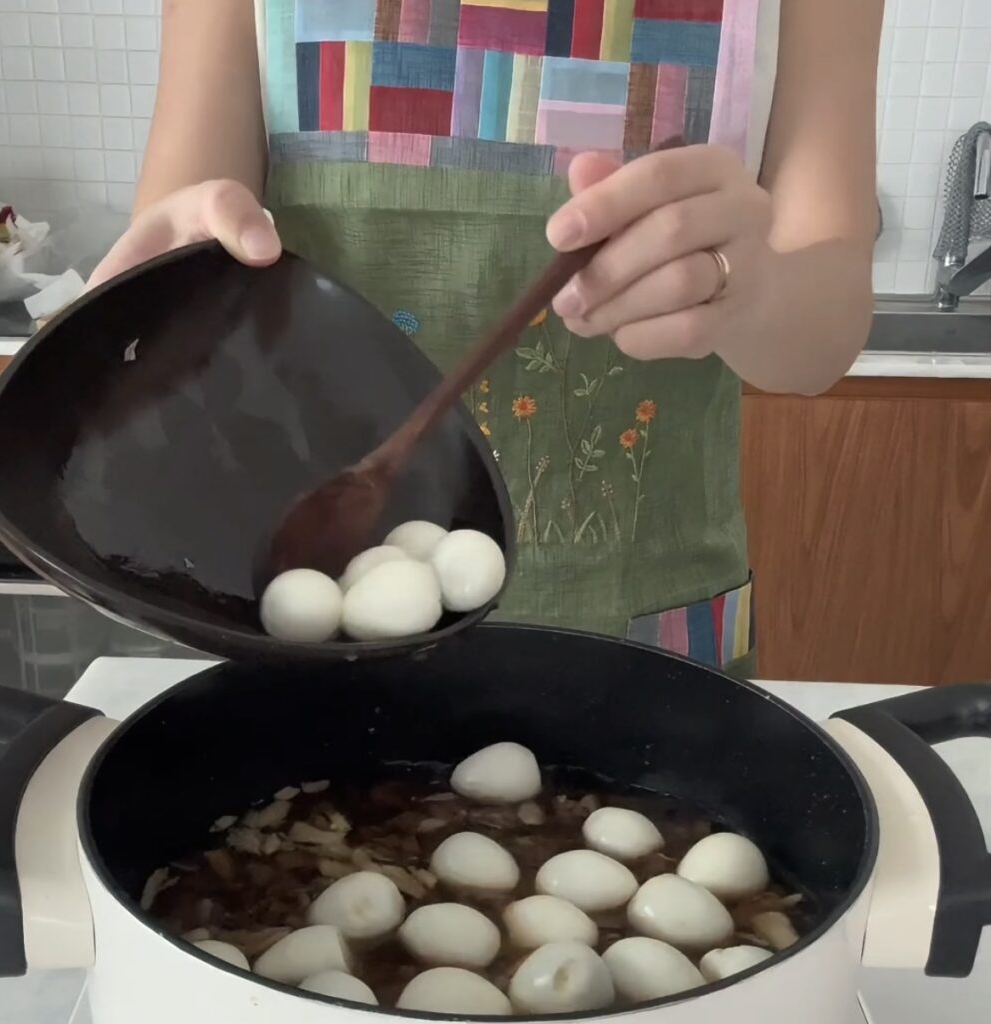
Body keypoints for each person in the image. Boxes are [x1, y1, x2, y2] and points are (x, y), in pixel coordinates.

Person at [90, 0, 882, 674]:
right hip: (299, 636)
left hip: (642, 646)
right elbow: (176, 247)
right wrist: (167, 295)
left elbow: (824, 335)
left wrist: (753, 287)